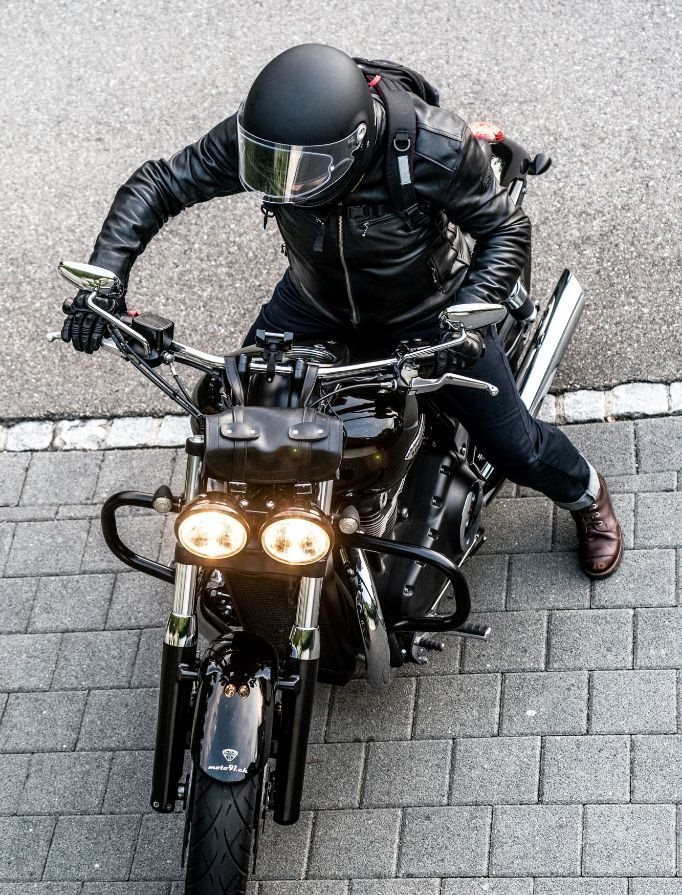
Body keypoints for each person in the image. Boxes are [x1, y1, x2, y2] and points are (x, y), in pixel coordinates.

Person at [61, 43, 622, 578]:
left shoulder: (434, 144)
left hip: (428, 312)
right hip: (312, 303)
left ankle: (587, 496)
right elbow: (161, 182)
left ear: (354, 145)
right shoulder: (274, 140)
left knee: (514, 446)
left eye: (302, 172)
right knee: (235, 420)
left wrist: (470, 315)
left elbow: (505, 228)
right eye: (273, 169)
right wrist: (106, 279)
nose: (285, 185)